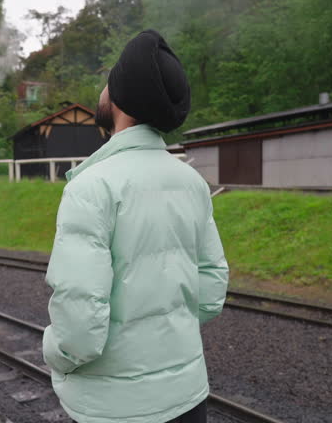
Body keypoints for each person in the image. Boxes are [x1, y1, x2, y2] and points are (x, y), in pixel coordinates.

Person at [42, 29, 230, 423]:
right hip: (188, 399)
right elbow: (211, 290)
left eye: (108, 78)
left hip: (115, 409)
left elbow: (79, 328)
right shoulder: (192, 183)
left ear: (120, 96)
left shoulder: (91, 187)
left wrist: (54, 355)